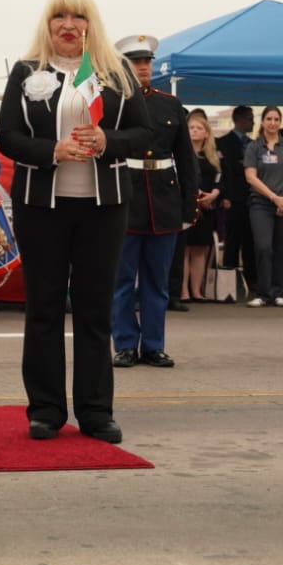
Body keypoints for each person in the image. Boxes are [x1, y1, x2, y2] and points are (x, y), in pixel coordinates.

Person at [0, 0, 150, 444]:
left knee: (94, 310)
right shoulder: (26, 72)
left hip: (103, 207)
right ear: (47, 25)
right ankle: (45, 410)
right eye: (58, 17)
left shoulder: (116, 72)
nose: (68, 24)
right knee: (42, 308)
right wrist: (51, 150)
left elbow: (143, 131)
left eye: (77, 17)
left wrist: (108, 142)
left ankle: (96, 410)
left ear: (90, 24)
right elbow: (6, 136)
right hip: (41, 206)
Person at [111, 35, 196, 371]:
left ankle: (154, 346)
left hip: (163, 201)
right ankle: (125, 345)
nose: (143, 67)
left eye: (147, 61)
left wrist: (189, 206)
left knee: (156, 283)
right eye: (136, 62)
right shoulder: (112, 103)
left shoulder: (170, 105)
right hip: (125, 200)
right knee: (121, 281)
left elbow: (186, 160)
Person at [243, 106, 283, 308]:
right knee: (263, 247)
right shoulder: (254, 147)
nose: (273, 122)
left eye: (276, 119)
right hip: (261, 203)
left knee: (281, 248)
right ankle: (263, 293)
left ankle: (278, 292)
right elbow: (250, 176)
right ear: (262, 121)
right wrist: (274, 197)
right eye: (269, 118)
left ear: (280, 121)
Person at [216, 105, 257, 295]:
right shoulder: (222, 143)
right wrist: (226, 196)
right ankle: (229, 282)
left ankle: (252, 280)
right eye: (250, 118)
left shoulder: (253, 144)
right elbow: (224, 172)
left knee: (251, 241)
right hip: (233, 198)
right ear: (239, 120)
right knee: (232, 241)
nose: (253, 122)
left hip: (252, 198)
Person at [180, 112, 221, 303]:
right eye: (191, 128)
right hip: (187, 206)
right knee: (184, 250)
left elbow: (221, 179)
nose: (195, 131)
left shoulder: (212, 157)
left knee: (200, 250)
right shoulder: (182, 155)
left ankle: (197, 291)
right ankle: (183, 292)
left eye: (199, 128)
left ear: (206, 133)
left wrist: (215, 194)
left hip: (207, 207)